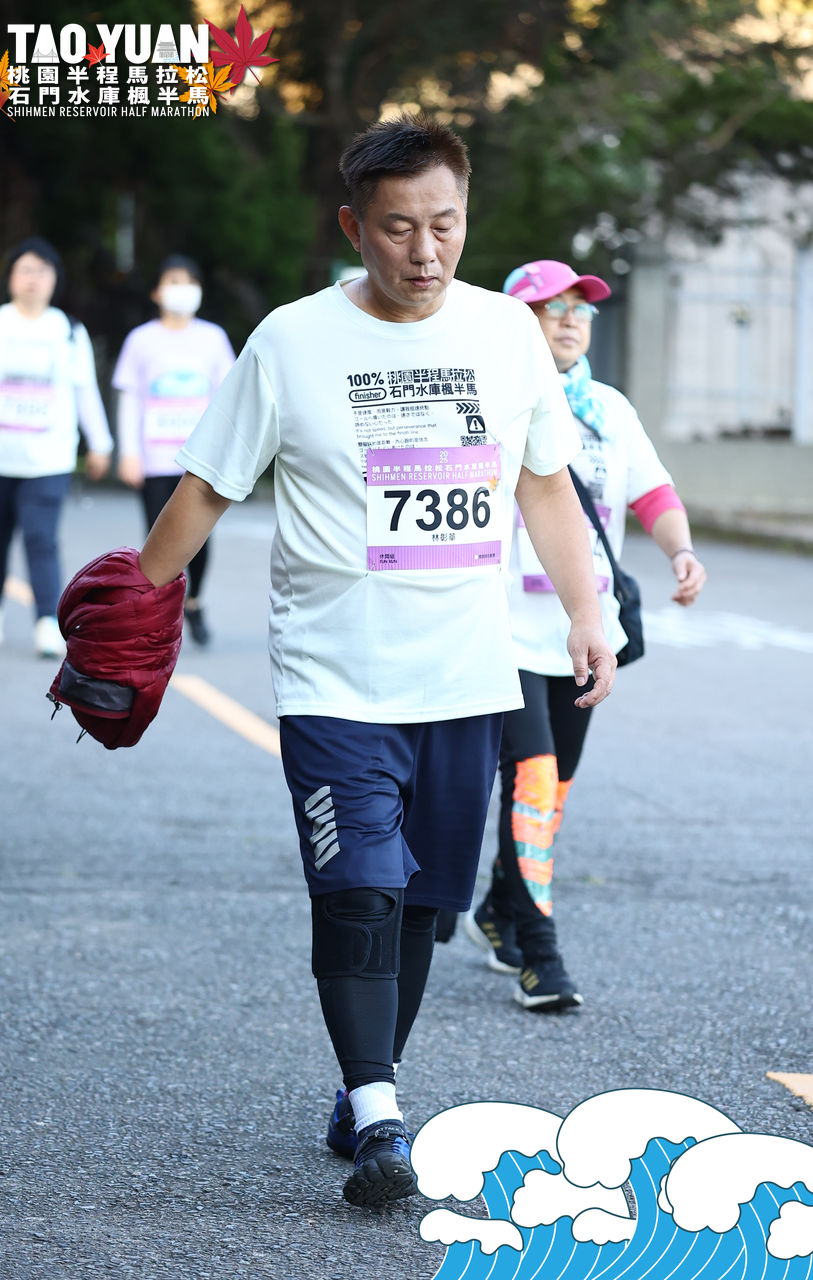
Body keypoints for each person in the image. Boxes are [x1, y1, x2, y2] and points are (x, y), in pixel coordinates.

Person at [130, 118, 616, 1209]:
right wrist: (133, 604)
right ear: (355, 227)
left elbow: (543, 481)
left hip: (468, 676)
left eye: (444, 224)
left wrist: (585, 612)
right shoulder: (290, 341)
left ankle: (363, 1086)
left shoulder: (506, 334)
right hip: (334, 676)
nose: (425, 250)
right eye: (398, 228)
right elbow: (208, 484)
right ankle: (383, 1112)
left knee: (423, 903)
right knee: (358, 890)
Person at [460, 258, 706, 1012]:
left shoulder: (608, 409)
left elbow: (651, 491)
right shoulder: (481, 399)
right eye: (551, 307)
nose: (570, 319)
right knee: (533, 780)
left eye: (581, 308)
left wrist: (680, 550)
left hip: (580, 631)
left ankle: (498, 909)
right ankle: (541, 955)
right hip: (500, 629)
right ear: (516, 322)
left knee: (551, 788)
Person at [0, 237, 113, 658]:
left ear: (55, 280)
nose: (33, 278)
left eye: (42, 271)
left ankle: (47, 620)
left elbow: (85, 392)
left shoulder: (68, 331)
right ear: (10, 277)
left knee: (41, 537)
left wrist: (100, 443)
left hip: (49, 457)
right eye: (25, 270)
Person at [112, 255, 236, 646]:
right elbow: (130, 399)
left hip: (201, 461)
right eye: (173, 281)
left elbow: (228, 397)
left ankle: (193, 602)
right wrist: (128, 453)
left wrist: (227, 453)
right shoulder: (141, 340)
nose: (181, 289)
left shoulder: (213, 338)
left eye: (189, 282)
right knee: (158, 538)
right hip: (153, 459)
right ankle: (161, 613)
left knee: (200, 538)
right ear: (156, 291)